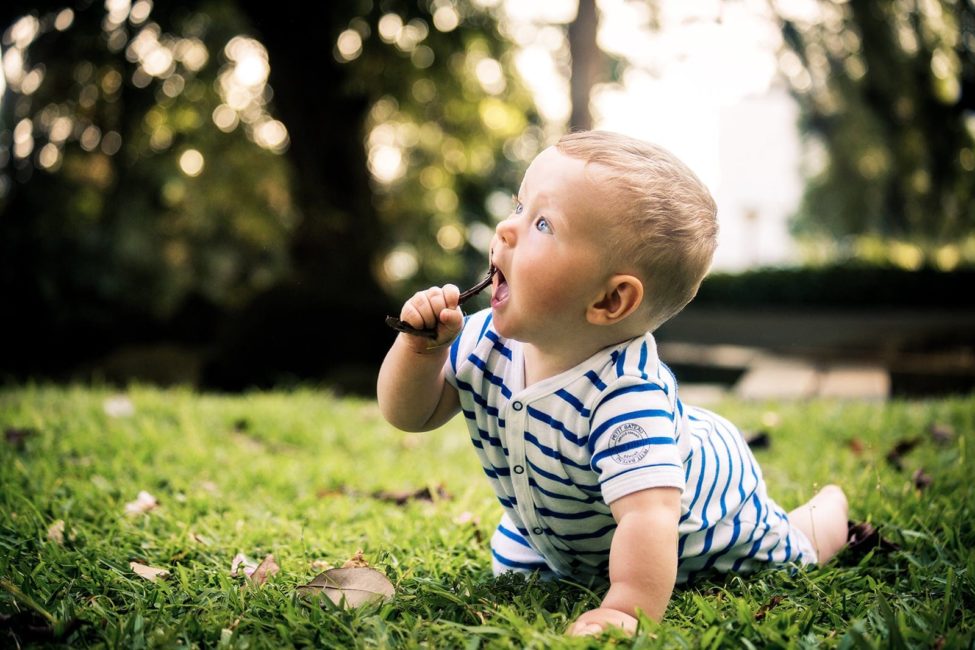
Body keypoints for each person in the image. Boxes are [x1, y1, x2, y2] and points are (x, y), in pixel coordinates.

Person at [376, 130, 849, 636]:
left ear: (608, 302)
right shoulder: (481, 339)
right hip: (559, 531)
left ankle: (824, 515)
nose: (506, 229)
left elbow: (648, 521)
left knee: (793, 548)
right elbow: (411, 414)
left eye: (541, 223)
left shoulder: (625, 399)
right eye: (519, 205)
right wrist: (421, 351)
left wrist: (624, 607)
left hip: (704, 513)